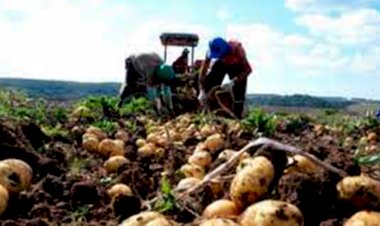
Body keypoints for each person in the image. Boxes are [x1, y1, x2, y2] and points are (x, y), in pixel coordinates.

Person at [197, 37, 252, 119]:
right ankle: (209, 111)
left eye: (220, 55)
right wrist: (202, 89)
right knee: (210, 81)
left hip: (236, 66)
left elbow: (248, 70)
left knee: (239, 92)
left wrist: (233, 82)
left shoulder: (238, 51)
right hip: (222, 65)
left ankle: (237, 117)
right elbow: (204, 69)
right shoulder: (211, 51)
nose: (219, 57)